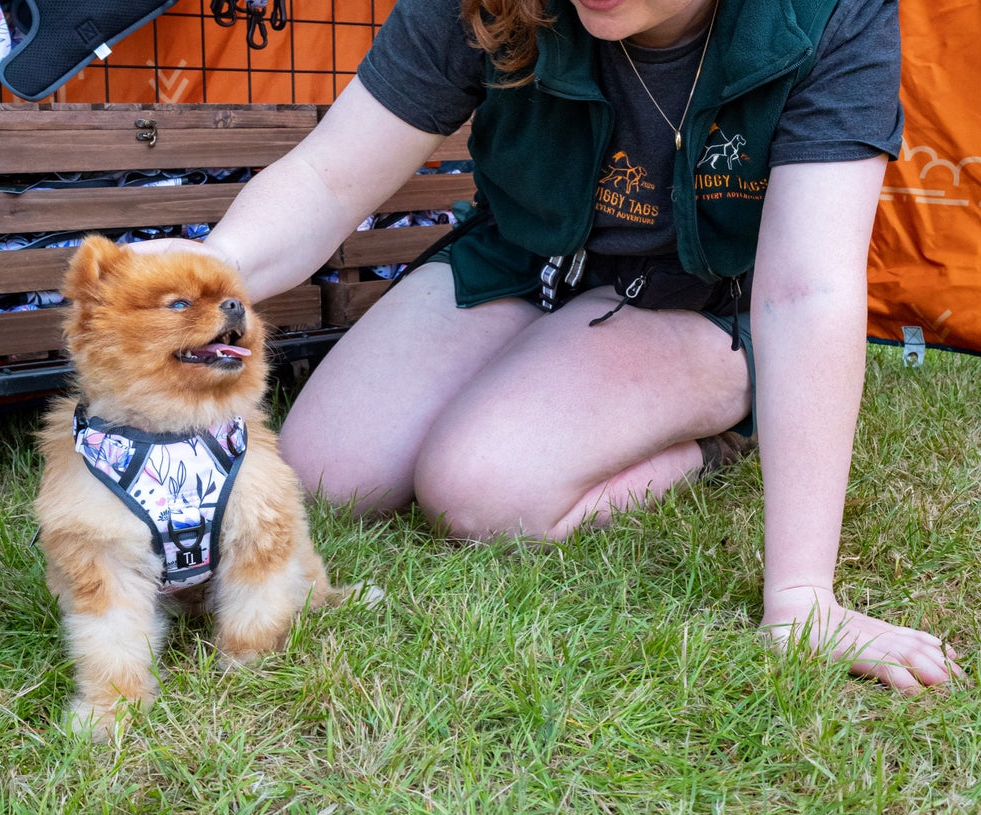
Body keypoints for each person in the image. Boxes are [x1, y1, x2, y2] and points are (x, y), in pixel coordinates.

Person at [134, 0, 964, 691]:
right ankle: (552, 367)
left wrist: (800, 597)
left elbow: (808, 290)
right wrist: (198, 278)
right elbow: (328, 177)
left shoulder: (833, 15)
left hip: (708, 295)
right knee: (327, 468)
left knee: (479, 489)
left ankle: (723, 429)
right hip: (530, 254)